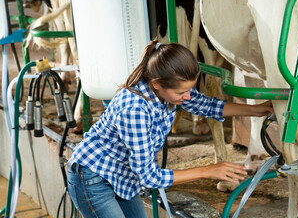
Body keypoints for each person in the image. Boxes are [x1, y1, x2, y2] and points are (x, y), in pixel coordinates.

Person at [67, 40, 274, 218]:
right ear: (157, 84)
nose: (187, 96)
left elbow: (208, 106)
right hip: (93, 178)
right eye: (181, 92)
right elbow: (149, 177)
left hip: (123, 175)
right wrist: (208, 170)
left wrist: (257, 110)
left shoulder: (168, 90)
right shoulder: (135, 109)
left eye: (189, 89)